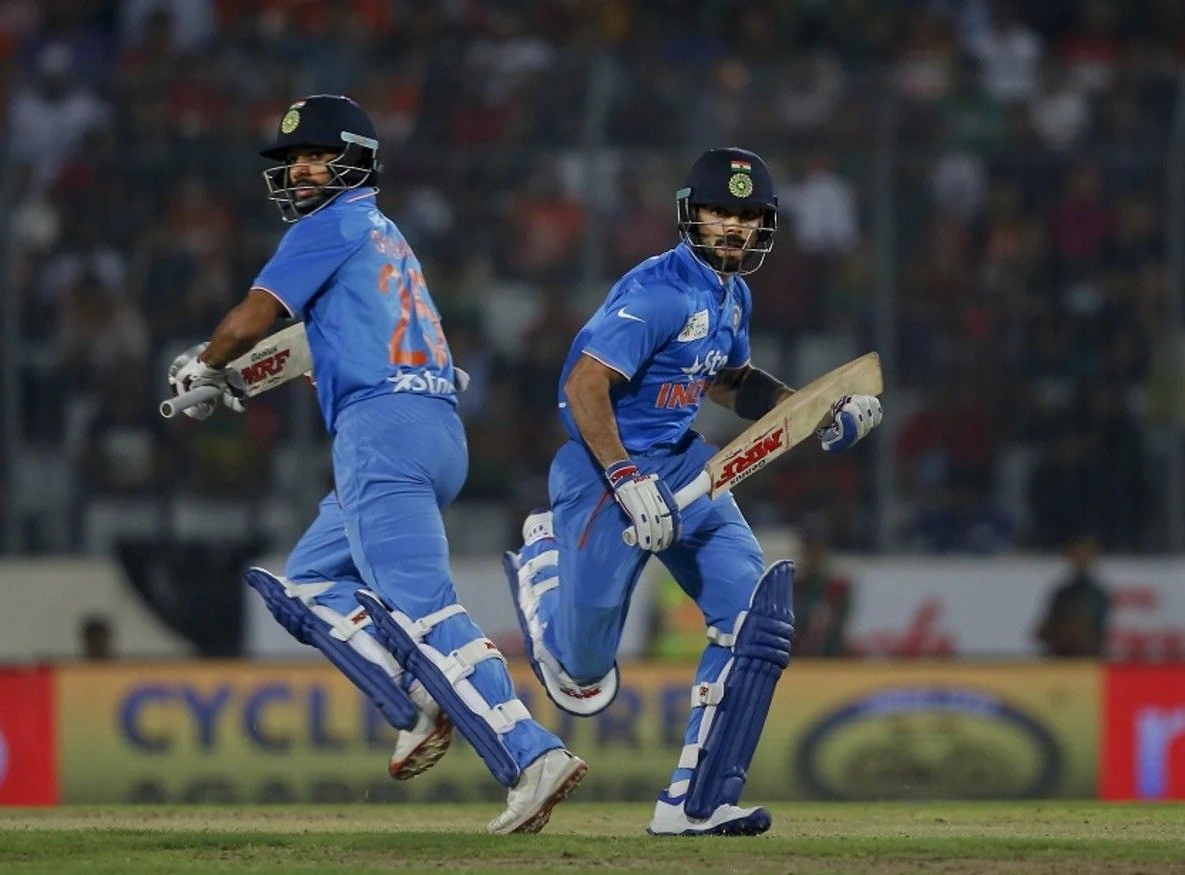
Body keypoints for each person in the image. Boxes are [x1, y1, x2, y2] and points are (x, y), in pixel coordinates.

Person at [164, 94, 585, 833]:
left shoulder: (326, 225)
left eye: (315, 154)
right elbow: (328, 345)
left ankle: (530, 752)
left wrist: (205, 361)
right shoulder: (387, 236)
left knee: (425, 609)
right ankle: (421, 696)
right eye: (292, 158)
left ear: (354, 160)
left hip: (379, 432)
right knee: (310, 585)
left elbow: (251, 319)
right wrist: (234, 373)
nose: (299, 169)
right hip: (435, 425)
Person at [503, 148, 882, 835]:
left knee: (754, 623)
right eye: (720, 212)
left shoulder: (734, 294)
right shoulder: (657, 291)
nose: (734, 227)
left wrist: (820, 408)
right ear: (691, 215)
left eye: (747, 215)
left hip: (684, 466)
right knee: (582, 675)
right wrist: (623, 477)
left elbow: (731, 384)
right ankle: (542, 562)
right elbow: (584, 386)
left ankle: (694, 804)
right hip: (601, 473)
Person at [1035, 533, 1111, 658]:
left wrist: (1061, 632)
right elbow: (1041, 632)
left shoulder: (1096, 594)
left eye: (1085, 554)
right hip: (1059, 660)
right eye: (1077, 554)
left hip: (1086, 662)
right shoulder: (1062, 593)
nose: (1080, 558)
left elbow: (1082, 632)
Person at [791, 516, 853, 658]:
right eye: (809, 551)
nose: (813, 556)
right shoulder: (793, 588)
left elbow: (838, 625)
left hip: (831, 659)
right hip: (798, 660)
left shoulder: (838, 589)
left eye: (818, 551)